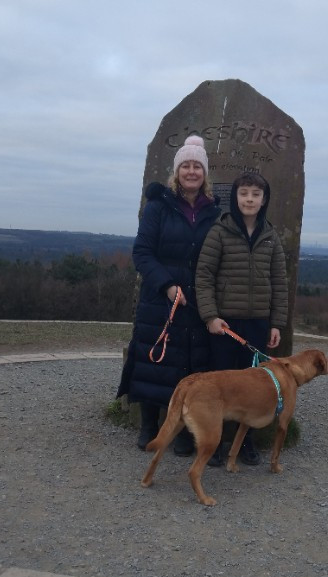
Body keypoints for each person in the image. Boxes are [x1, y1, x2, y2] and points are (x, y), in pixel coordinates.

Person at [117, 136, 221, 454]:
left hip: (197, 300)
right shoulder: (158, 207)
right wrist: (167, 285)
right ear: (176, 172)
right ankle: (150, 425)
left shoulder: (214, 211)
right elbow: (142, 252)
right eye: (185, 166)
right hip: (160, 298)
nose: (191, 171)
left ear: (204, 173)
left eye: (197, 166)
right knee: (154, 361)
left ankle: (185, 429)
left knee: (191, 362)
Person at [195, 172, 288, 467]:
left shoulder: (270, 236)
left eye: (255, 194)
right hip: (224, 325)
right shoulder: (220, 231)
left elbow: (280, 281)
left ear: (264, 199)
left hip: (258, 323)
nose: (249, 199)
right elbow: (204, 275)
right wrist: (210, 316)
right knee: (220, 386)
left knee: (254, 388)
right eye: (244, 193)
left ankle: (245, 443)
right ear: (235, 197)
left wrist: (276, 323)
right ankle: (214, 443)